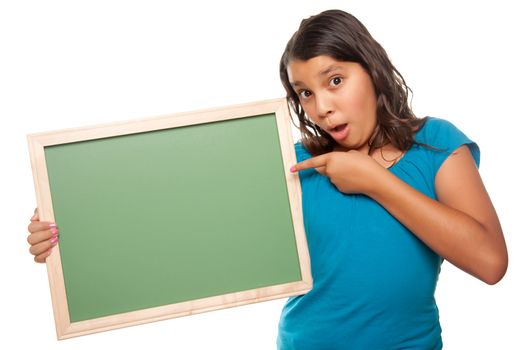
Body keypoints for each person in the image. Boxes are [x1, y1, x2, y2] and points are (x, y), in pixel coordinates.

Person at [26, 9, 508, 349]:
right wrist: (67, 229)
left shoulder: (435, 144)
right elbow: (175, 219)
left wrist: (374, 179)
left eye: (334, 80)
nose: (321, 106)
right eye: (305, 93)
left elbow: (490, 262)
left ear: (373, 70)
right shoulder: (294, 164)